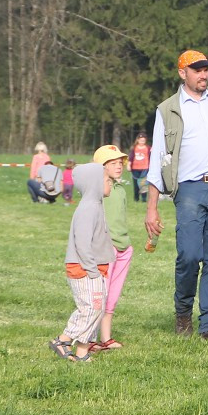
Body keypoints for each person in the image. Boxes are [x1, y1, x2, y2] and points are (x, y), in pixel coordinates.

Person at [145, 49, 208, 339]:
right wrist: (152, 208)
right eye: (197, 70)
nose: (204, 75)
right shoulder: (168, 109)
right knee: (188, 255)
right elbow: (158, 157)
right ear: (182, 73)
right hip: (189, 190)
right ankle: (182, 311)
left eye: (206, 69)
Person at [48, 162, 114, 363]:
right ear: (94, 183)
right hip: (85, 269)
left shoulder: (96, 205)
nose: (110, 183)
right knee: (91, 308)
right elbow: (82, 243)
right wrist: (92, 270)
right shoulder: (88, 208)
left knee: (95, 309)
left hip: (94, 268)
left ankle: (82, 352)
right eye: (106, 180)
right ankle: (63, 339)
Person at [93, 145, 131, 352]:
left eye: (120, 163)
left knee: (113, 294)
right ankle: (89, 338)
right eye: (113, 163)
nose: (118, 167)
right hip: (105, 248)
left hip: (124, 247)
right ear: (101, 167)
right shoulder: (97, 190)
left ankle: (105, 337)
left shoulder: (120, 189)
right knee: (100, 293)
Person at [129, 133, 151, 203]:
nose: (142, 142)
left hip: (145, 168)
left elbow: (151, 157)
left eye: (143, 141)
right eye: (141, 140)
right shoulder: (134, 148)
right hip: (135, 168)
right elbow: (131, 158)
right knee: (136, 185)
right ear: (138, 140)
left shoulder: (148, 148)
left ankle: (144, 199)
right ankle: (136, 198)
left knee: (143, 184)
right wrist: (129, 165)